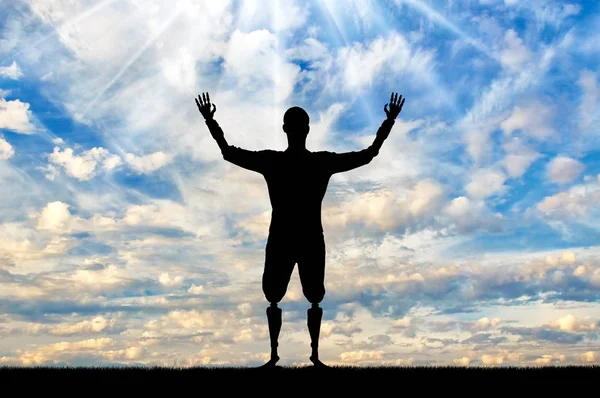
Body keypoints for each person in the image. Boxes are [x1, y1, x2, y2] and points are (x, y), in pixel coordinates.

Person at [195, 92, 406, 368]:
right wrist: (388, 121)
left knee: (287, 296)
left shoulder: (278, 162)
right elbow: (368, 154)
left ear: (287, 129)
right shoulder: (318, 162)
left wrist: (211, 121)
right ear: (306, 129)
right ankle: (304, 356)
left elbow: (228, 152)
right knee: (299, 296)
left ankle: (286, 356)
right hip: (303, 239)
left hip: (289, 238)